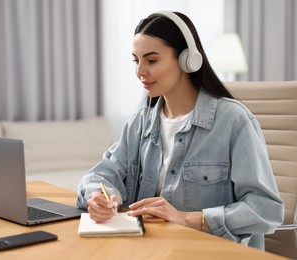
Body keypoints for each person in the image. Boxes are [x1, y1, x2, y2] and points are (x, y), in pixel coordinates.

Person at [76, 10, 283, 249]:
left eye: (151, 60)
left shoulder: (234, 121)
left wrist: (188, 219)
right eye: (136, 60)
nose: (140, 71)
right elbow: (101, 175)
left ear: (188, 59)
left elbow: (266, 209)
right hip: (150, 250)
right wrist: (98, 197)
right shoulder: (140, 122)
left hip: (210, 252)